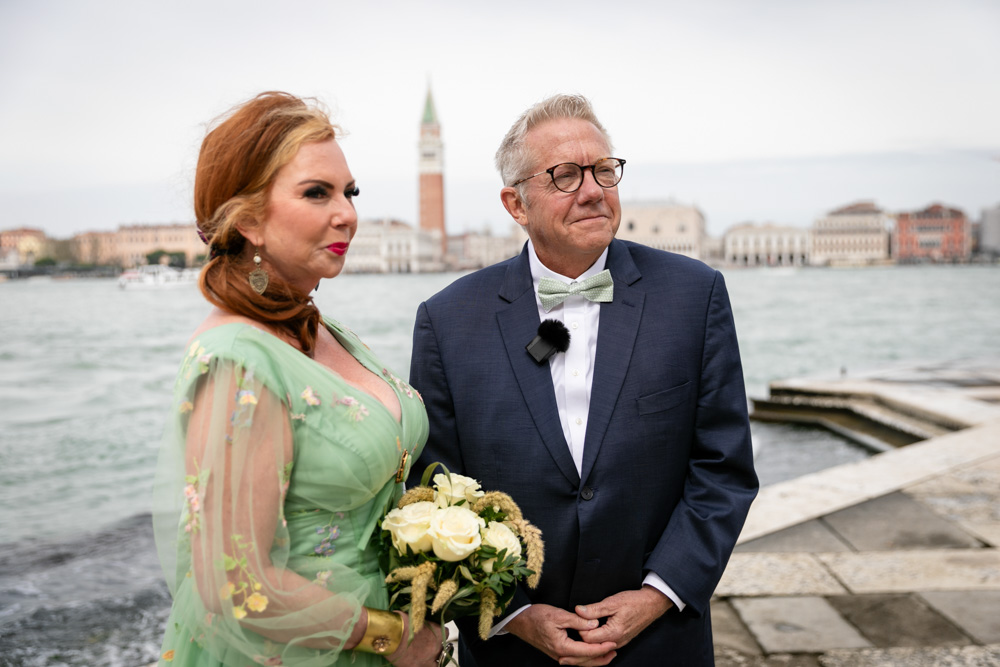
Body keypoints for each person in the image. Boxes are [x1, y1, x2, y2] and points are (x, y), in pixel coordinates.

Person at [409, 94, 758, 666]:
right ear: (515, 204)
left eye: (604, 170)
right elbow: (434, 484)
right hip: (512, 652)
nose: (594, 189)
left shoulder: (695, 296)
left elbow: (723, 469)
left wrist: (657, 594)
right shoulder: (448, 320)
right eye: (565, 176)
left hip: (660, 644)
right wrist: (513, 612)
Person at [152, 91, 442, 667]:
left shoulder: (325, 329)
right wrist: (391, 634)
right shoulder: (239, 358)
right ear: (249, 220)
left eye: (349, 192)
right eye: (317, 193)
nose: (348, 214)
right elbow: (235, 582)